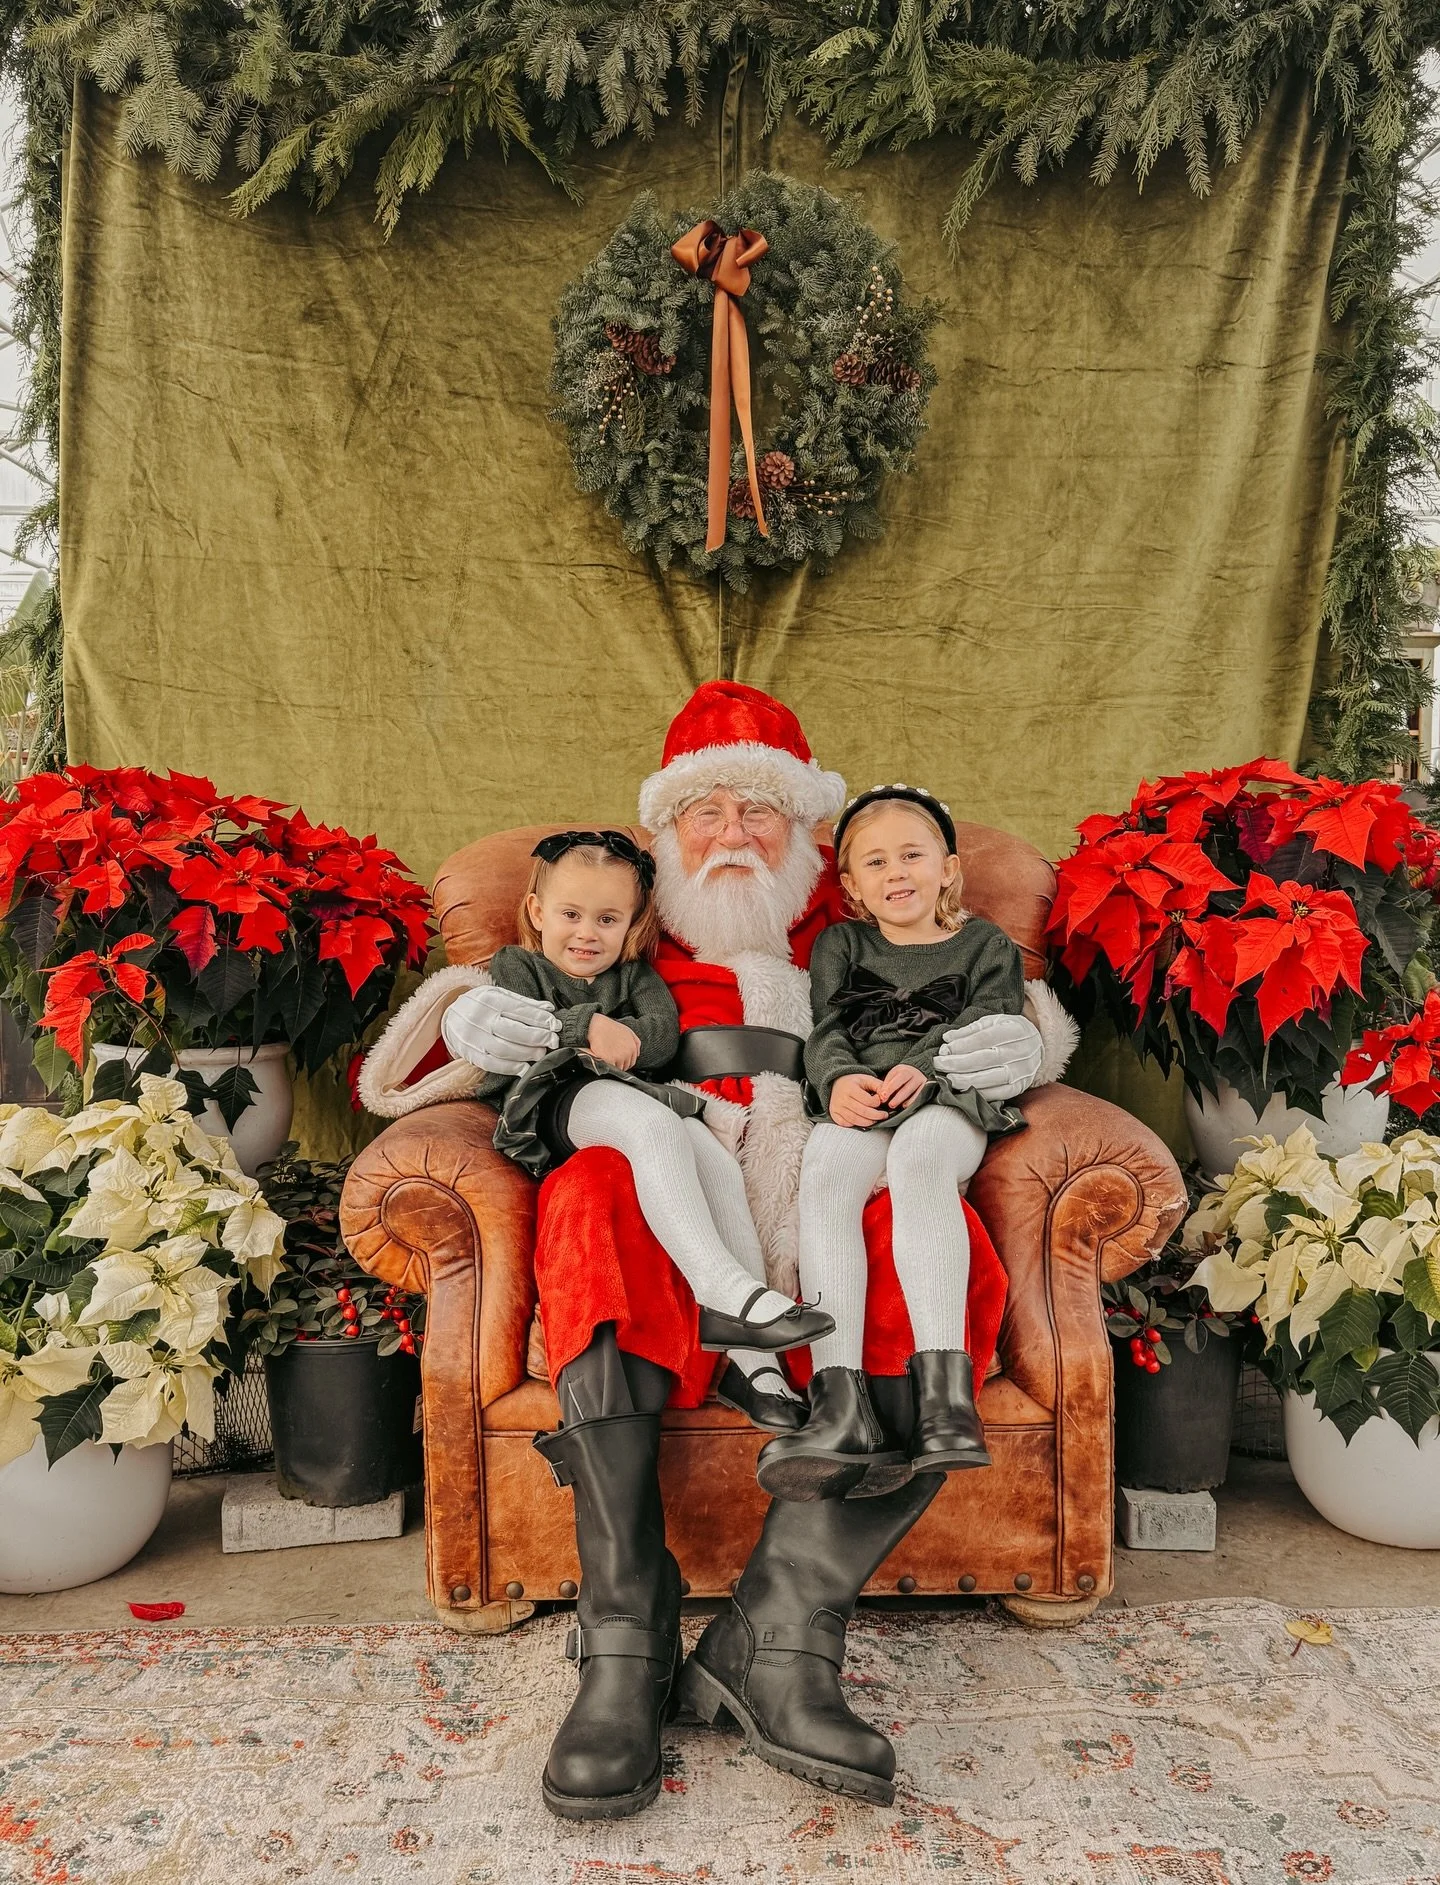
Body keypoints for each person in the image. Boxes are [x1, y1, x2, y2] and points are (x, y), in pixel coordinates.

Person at [361, 682, 1067, 1820]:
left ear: (812, 842)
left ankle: (779, 1638)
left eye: (761, 813)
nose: (733, 835)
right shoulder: (622, 935)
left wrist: (1013, 1039)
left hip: (833, 1178)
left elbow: (986, 998)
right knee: (593, 1190)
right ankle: (626, 1637)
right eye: (707, 812)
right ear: (663, 836)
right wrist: (467, 1019)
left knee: (940, 1243)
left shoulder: (858, 935)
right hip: (673, 1199)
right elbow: (513, 1009)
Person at [453, 826, 832, 1415]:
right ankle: (720, 1292)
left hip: (627, 1098)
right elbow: (524, 1024)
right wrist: (587, 1029)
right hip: (553, 1103)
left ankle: (759, 1369)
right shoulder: (518, 966)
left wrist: (615, 1033)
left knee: (712, 1156)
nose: (587, 933)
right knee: (652, 1123)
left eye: (608, 919)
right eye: (571, 914)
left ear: (632, 924)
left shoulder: (635, 977)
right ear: (537, 910)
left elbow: (656, 1043)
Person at [757, 784, 1028, 1502]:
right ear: (850, 884)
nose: (896, 872)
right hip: (865, 1096)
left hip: (951, 1097)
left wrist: (927, 1063)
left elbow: (993, 1016)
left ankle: (946, 1402)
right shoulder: (841, 944)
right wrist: (842, 1079)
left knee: (919, 1160)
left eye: (912, 855)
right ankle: (837, 1404)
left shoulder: (986, 944)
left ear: (949, 867)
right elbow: (827, 1030)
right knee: (826, 1168)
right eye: (875, 862)